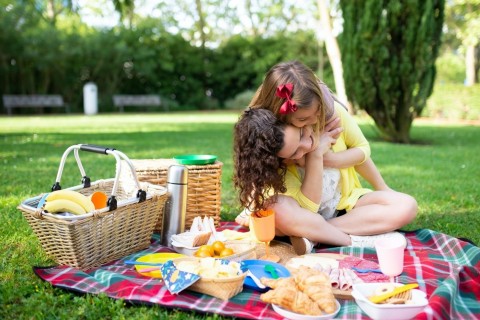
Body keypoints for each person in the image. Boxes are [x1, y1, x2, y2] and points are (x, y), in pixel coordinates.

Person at [233, 66, 418, 252]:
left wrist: (327, 158)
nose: (313, 121)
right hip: (302, 211)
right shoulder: (274, 140)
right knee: (277, 210)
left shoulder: (330, 116)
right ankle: (349, 239)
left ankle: (314, 235)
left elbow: (362, 151)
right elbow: (307, 209)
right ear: (282, 116)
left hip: (343, 205)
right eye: (303, 120)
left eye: (317, 111)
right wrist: (314, 155)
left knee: (406, 205)